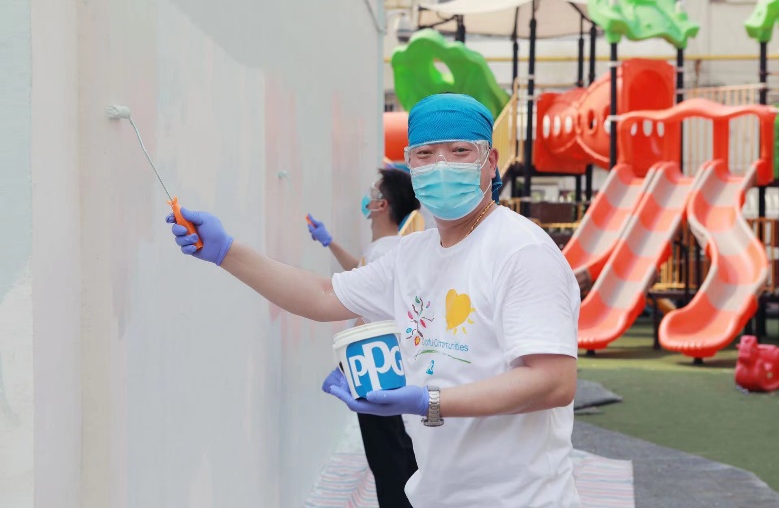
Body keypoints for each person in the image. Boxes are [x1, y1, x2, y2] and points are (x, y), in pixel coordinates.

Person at [167, 93, 581, 507]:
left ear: (490, 162)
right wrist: (227, 252)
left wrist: (427, 401)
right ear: (411, 166)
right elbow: (324, 295)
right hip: (438, 496)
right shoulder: (410, 254)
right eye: (425, 154)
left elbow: (553, 382)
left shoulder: (521, 252)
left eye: (459, 151)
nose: (441, 165)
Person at [306, 168, 420, 508]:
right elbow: (358, 272)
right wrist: (329, 242)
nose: (367, 195)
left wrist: (347, 358)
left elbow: (365, 303)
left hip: (374, 366)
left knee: (387, 457)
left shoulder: (388, 253)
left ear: (381, 204)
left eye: (373, 190)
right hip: (377, 364)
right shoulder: (384, 250)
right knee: (394, 448)